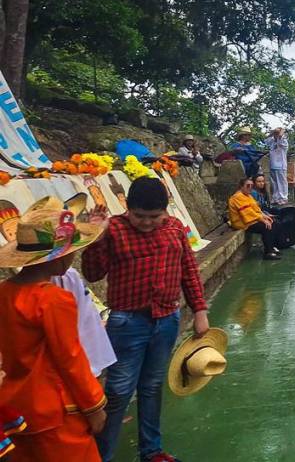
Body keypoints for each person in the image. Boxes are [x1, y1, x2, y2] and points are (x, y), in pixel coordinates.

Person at [82, 177, 211, 462]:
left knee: (152, 386)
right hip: (127, 322)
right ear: (127, 207)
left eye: (155, 216)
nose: (147, 222)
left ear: (165, 210)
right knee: (118, 391)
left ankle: (151, 450)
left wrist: (199, 311)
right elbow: (93, 273)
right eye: (139, 215)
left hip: (166, 319)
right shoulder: (113, 228)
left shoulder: (175, 228)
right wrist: (96, 236)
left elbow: (188, 271)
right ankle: (99, 455)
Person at [0, 198, 108, 461]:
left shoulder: (5, 292)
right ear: (59, 257)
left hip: (17, 406)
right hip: (56, 409)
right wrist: (95, 406)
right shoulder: (53, 299)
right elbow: (70, 357)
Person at [227, 177, 280, 260]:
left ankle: (271, 247)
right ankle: (268, 252)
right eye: (248, 185)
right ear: (241, 186)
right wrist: (262, 219)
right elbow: (248, 213)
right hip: (242, 222)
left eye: (251, 185)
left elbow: (256, 209)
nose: (250, 187)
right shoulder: (238, 197)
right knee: (265, 226)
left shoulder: (247, 195)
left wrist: (265, 216)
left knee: (273, 222)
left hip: (250, 220)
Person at [264, 127, 289, 205]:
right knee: (274, 182)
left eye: (277, 133)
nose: (276, 134)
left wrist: (281, 131)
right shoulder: (271, 141)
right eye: (275, 133)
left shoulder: (283, 141)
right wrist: (272, 133)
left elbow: (281, 138)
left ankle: (283, 198)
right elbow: (265, 141)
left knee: (282, 182)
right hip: (273, 164)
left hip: (281, 165)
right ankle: (276, 198)